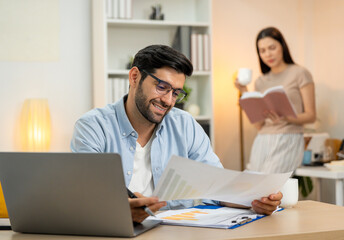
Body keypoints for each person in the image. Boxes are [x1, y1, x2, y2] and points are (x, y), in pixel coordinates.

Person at [71, 44, 282, 223]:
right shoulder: (93, 127)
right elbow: (85, 199)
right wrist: (119, 210)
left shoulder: (185, 125)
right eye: (162, 87)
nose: (168, 101)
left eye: (176, 93)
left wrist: (256, 200)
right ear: (134, 77)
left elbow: (217, 187)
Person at [235, 27, 316, 173]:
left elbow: (311, 115)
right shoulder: (260, 81)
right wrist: (244, 91)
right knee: (253, 187)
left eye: (272, 48)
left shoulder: (300, 73)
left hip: (288, 138)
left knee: (269, 188)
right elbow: (259, 124)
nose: (267, 54)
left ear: (282, 46)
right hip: (262, 140)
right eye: (262, 50)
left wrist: (286, 118)